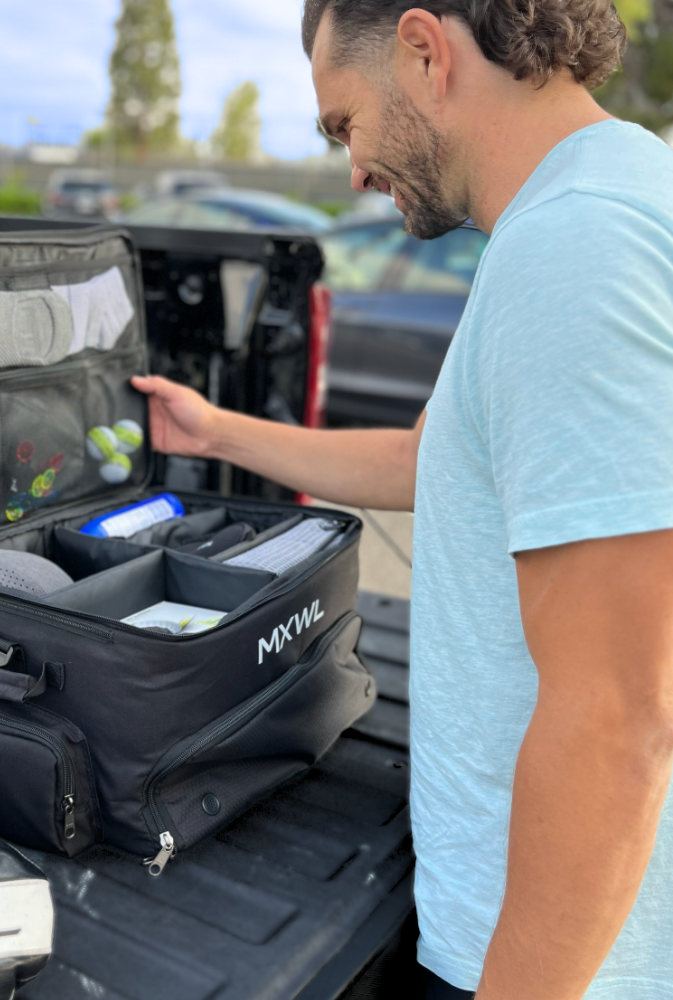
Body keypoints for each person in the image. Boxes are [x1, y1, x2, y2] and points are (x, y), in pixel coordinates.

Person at [132, 2, 673, 998]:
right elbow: (435, 458)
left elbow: (617, 716)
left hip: (549, 962)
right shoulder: (598, 194)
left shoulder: (574, 249)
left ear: (425, 53)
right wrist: (213, 432)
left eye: (345, 124)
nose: (352, 171)